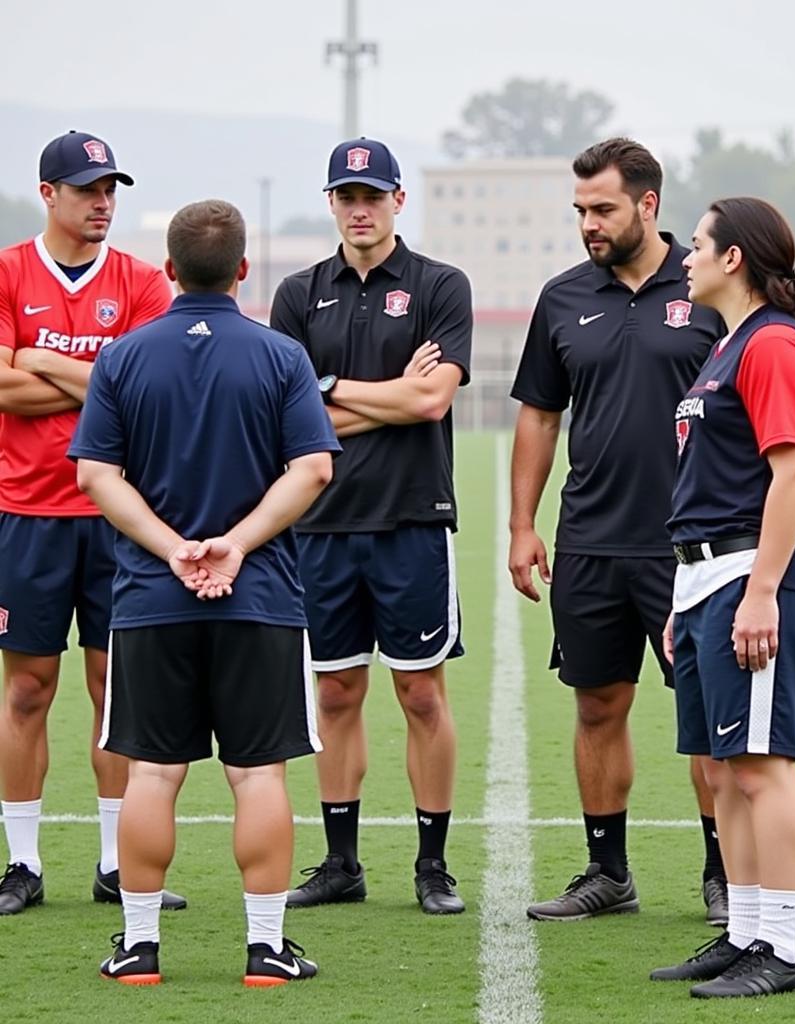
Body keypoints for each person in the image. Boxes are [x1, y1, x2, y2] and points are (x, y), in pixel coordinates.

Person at [69, 199, 338, 985]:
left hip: (152, 600)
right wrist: (238, 544)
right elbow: (314, 468)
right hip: (260, 600)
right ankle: (265, 951)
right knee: (258, 775)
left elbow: (95, 476)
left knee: (153, 773)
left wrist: (173, 548)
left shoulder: (122, 358)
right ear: (245, 271)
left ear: (169, 270)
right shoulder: (282, 357)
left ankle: (140, 950)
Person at [508, 137, 727, 923]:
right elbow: (539, 413)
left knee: (705, 715)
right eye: (580, 211)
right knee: (597, 704)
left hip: (691, 544)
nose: (589, 225)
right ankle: (608, 873)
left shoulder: (709, 287)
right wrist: (521, 525)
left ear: (648, 205)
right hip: (590, 542)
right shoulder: (564, 296)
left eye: (602, 209)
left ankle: (723, 872)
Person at [270, 138, 472, 915]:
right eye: (346, 196)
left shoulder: (438, 285)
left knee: (421, 695)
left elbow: (432, 403)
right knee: (338, 693)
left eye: (373, 195)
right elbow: (291, 420)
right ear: (330, 203)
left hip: (413, 518)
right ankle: (341, 864)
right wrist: (380, 396)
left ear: (398, 200)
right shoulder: (298, 293)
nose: (361, 208)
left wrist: (331, 396)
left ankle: (431, 865)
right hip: (319, 525)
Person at [649, 197, 795, 998]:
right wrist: (684, 591)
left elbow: (794, 471)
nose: (682, 258)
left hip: (755, 576)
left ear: (733, 259)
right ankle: (747, 931)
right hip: (707, 577)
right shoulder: (727, 348)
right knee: (724, 771)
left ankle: (783, 951)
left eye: (694, 246)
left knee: (761, 767)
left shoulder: (774, 343)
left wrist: (761, 590)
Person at [0, 130, 185, 915]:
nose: (103, 202)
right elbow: (4, 395)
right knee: (27, 692)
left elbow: (142, 393)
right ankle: (23, 863)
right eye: (87, 189)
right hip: (26, 512)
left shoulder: (143, 281)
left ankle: (115, 864)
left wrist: (39, 360)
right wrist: (99, 379)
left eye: (111, 189)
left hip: (120, 513)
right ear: (49, 194)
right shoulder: (7, 273)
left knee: (117, 689)